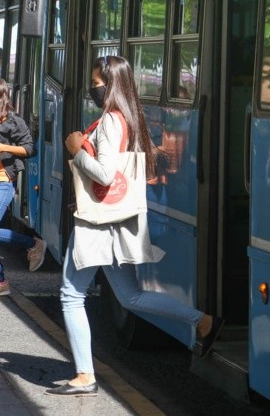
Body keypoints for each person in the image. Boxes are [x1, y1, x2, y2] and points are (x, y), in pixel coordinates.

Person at [46, 56, 224, 396]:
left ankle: (85, 376)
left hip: (97, 225)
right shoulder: (126, 118)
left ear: (110, 85)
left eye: (96, 84)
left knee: (71, 295)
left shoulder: (111, 122)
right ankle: (201, 321)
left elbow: (105, 174)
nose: (92, 89)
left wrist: (75, 151)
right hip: (113, 221)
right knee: (130, 296)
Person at [0, 77, 47, 298]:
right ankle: (0, 281)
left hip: (3, 181)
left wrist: (2, 146)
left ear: (0, 94)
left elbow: (30, 149)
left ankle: (33, 243)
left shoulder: (12, 121)